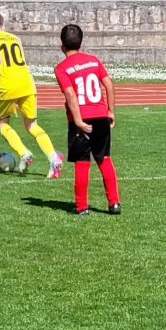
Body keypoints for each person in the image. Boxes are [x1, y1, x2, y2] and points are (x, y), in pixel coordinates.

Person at [0, 13, 63, 178]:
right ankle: (53, 158)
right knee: (31, 125)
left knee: (1, 122)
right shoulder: (15, 38)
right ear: (3, 26)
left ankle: (24, 153)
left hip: (8, 86)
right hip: (27, 82)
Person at [53, 25, 121, 215]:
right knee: (104, 160)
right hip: (101, 116)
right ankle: (114, 203)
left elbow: (70, 95)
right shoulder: (93, 60)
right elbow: (108, 84)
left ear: (61, 45)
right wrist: (111, 111)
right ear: (81, 42)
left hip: (82, 119)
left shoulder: (61, 68)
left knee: (83, 163)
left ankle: (82, 206)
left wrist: (78, 121)